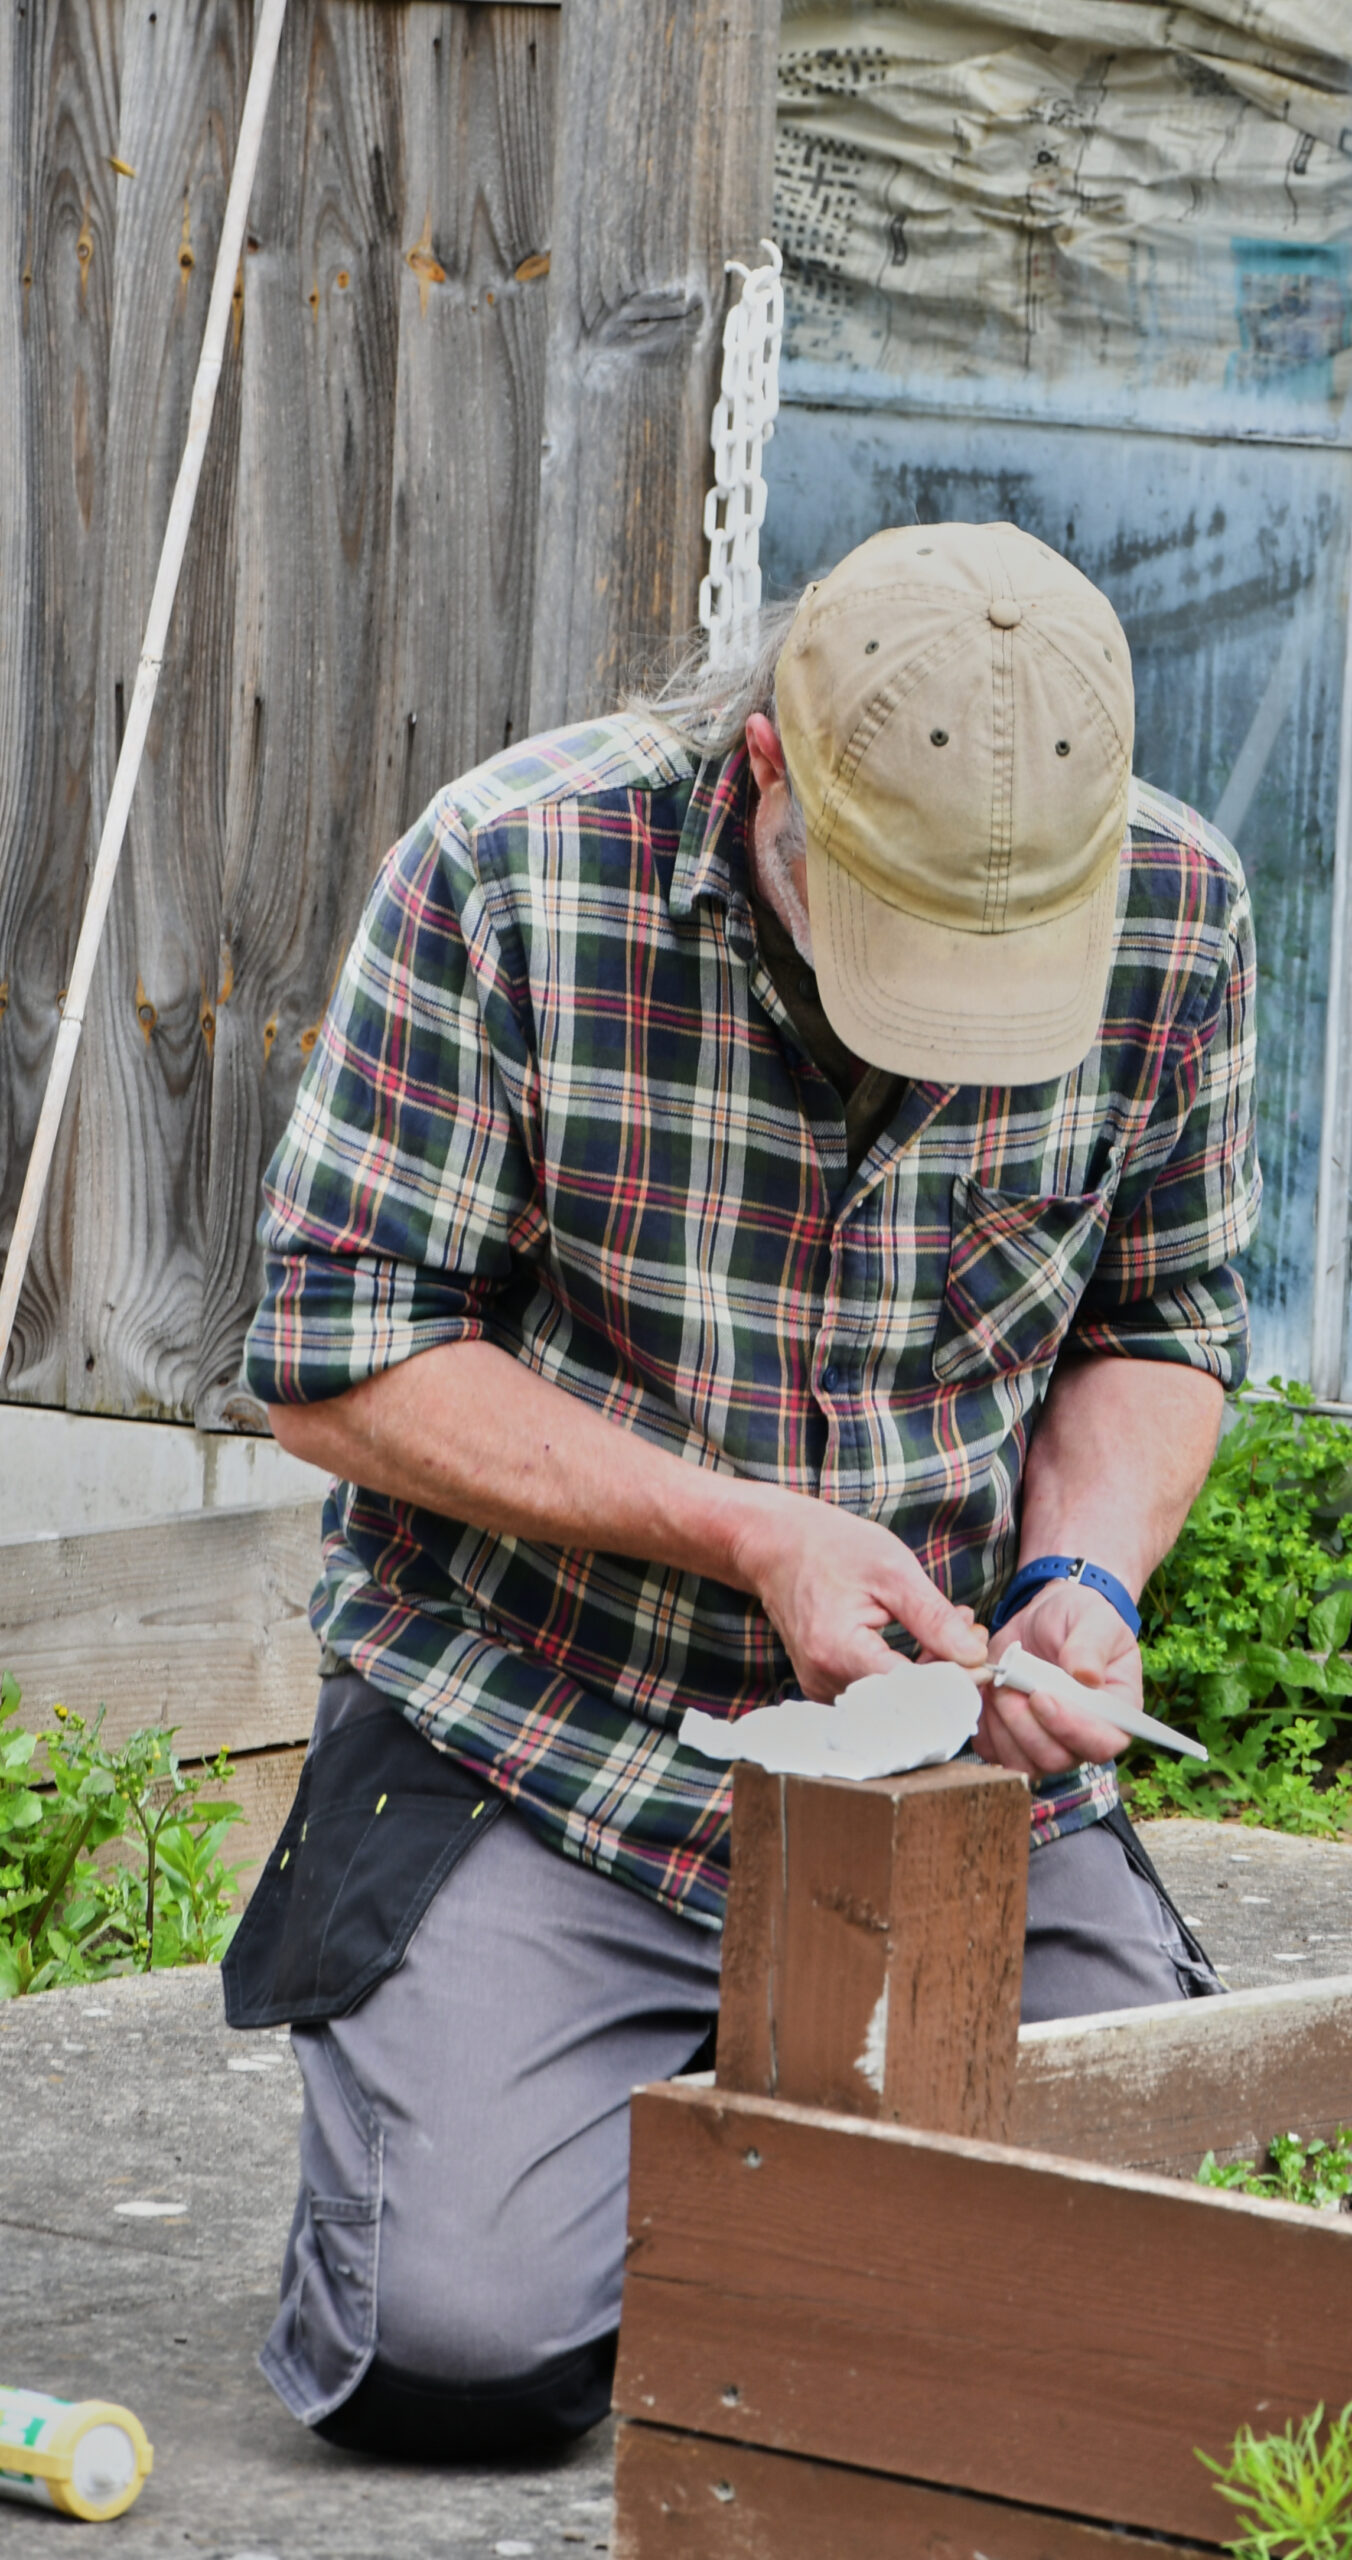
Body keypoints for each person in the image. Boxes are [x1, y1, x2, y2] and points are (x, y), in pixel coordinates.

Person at [224, 520, 1260, 2458]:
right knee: (457, 2354)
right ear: (773, 763)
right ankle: (583, 2052)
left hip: (954, 1756)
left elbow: (1159, 1314)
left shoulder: (1177, 906)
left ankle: (741, 2084)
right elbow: (336, 1356)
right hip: (548, 1727)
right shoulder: (510, 867)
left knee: (1178, 2283)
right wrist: (746, 1528)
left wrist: (1084, 1577)